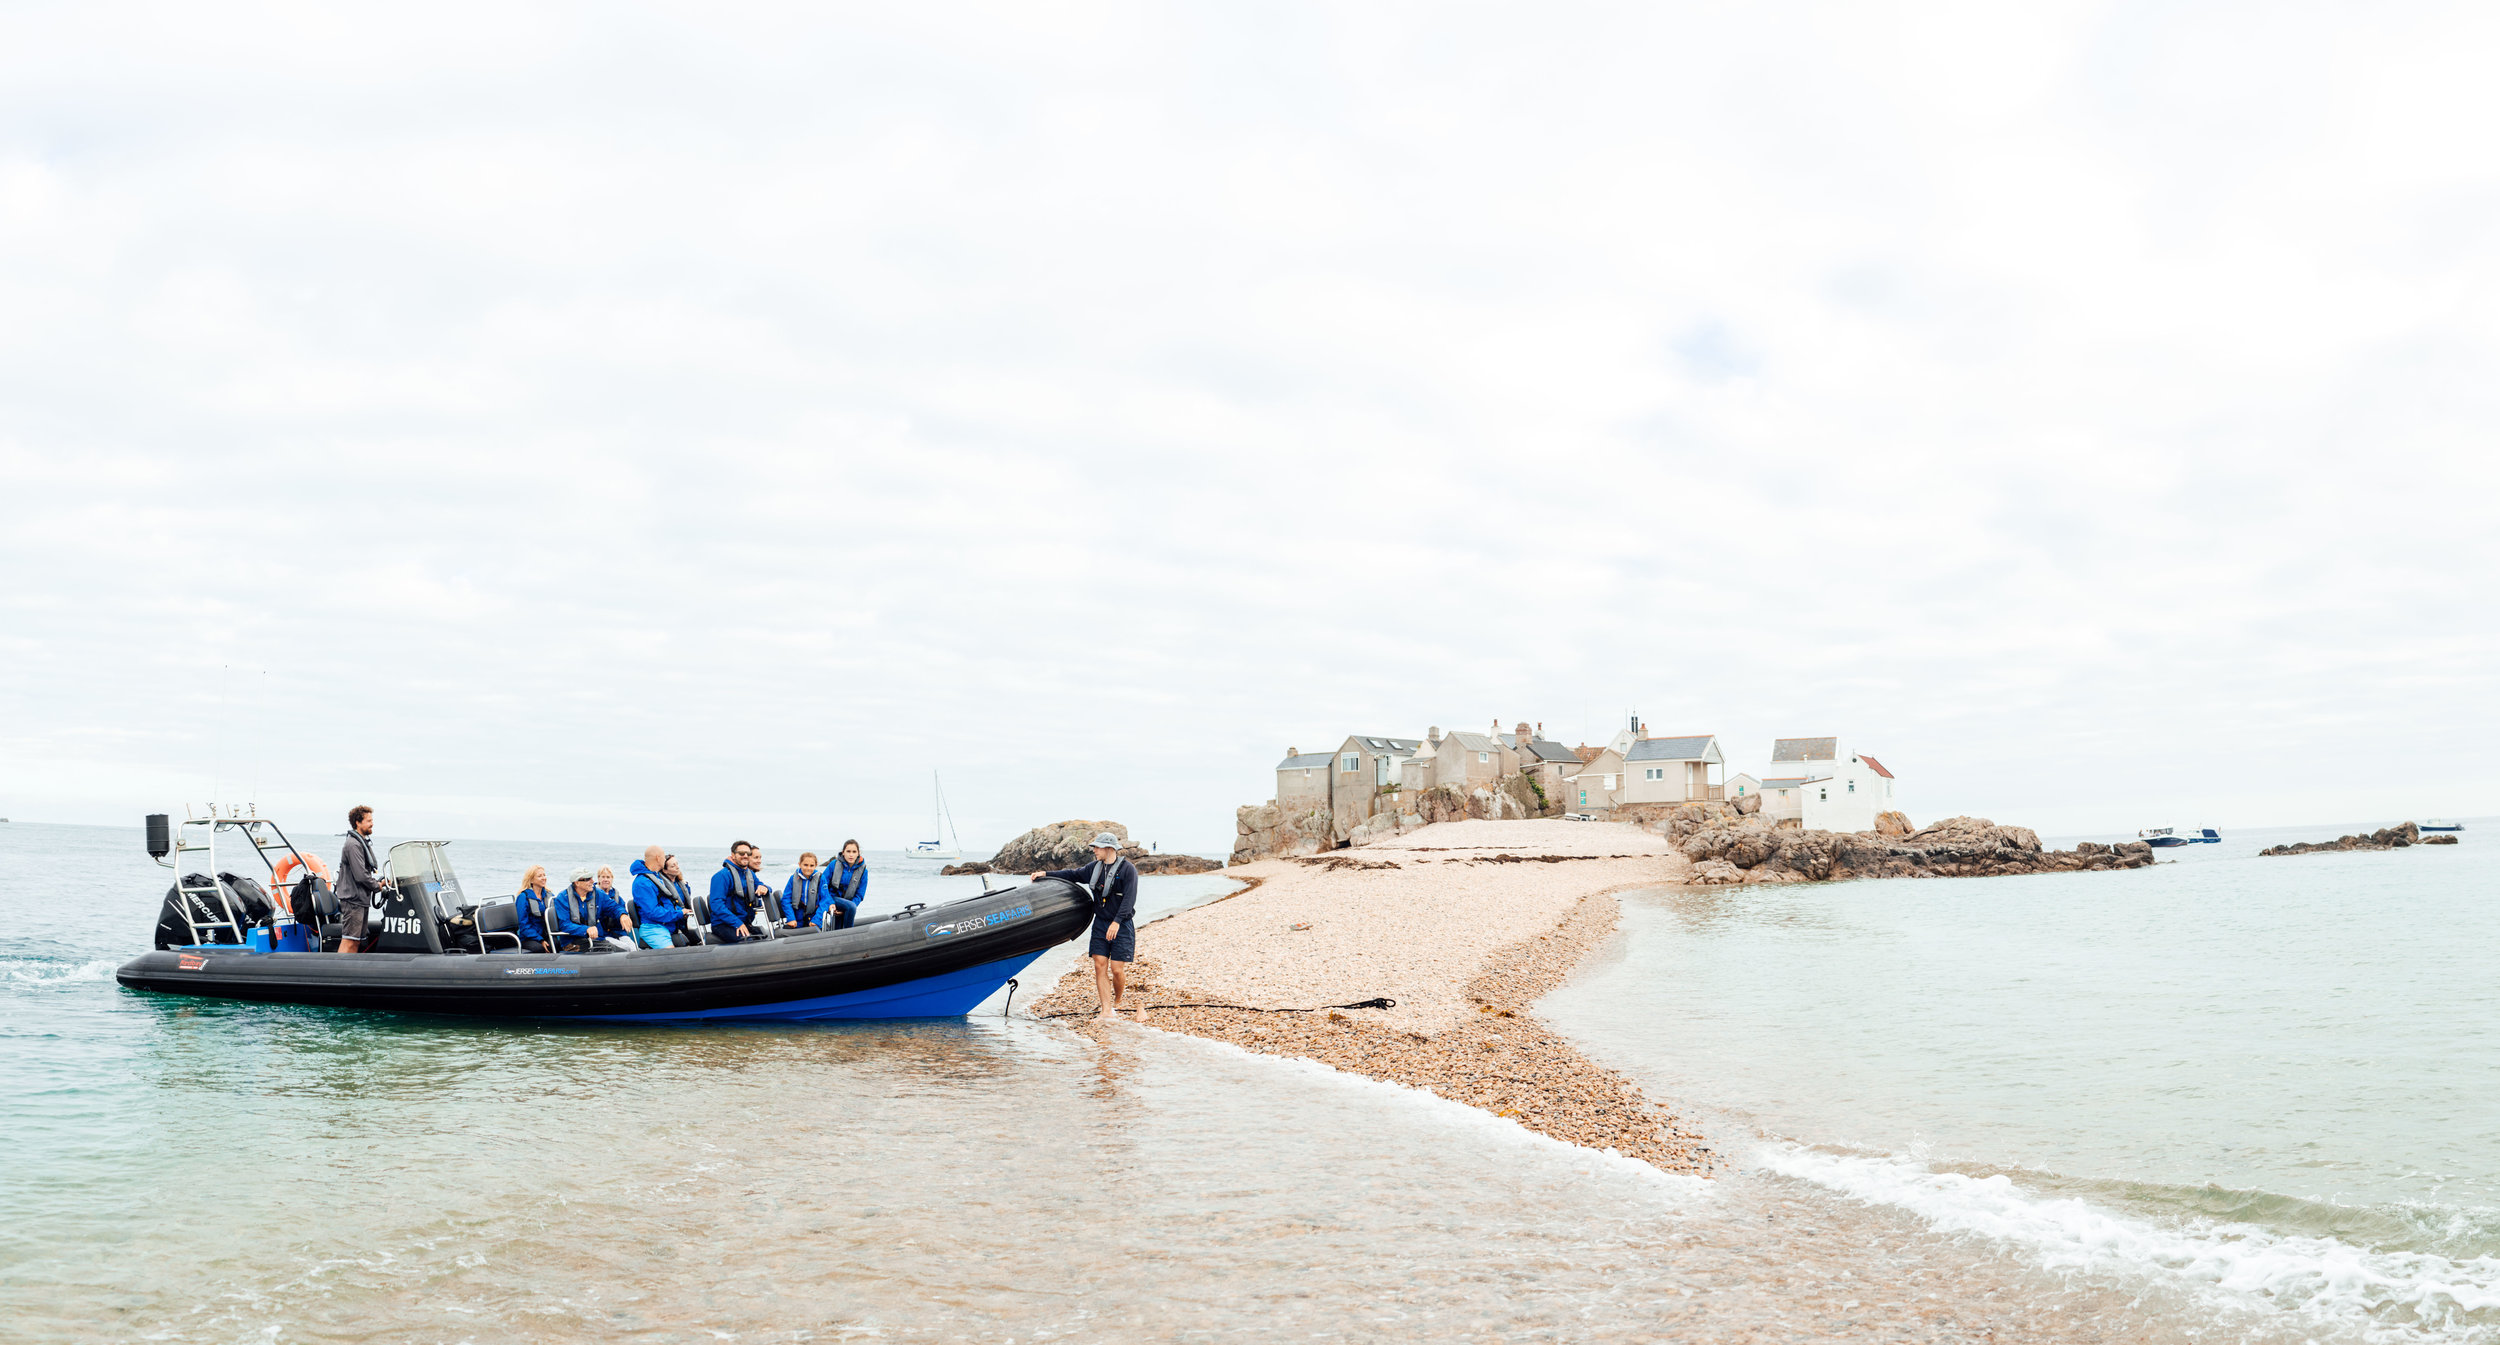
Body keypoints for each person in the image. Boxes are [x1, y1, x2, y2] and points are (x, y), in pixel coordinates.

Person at [1033, 832, 1140, 1023]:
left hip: (1121, 923)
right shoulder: (1093, 868)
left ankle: (1118, 1000)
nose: (1094, 851)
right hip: (1100, 923)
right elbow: (1072, 875)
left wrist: (1116, 922)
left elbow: (1129, 900)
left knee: (1116, 969)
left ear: (1109, 849)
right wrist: (1046, 874)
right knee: (1100, 965)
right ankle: (1106, 1010)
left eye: (1097, 847)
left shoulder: (1127, 870)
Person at [335, 804, 387, 954]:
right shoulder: (353, 845)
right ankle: (339, 973)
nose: (372, 823)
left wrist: (380, 883)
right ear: (358, 822)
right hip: (353, 900)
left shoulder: (361, 843)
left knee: (357, 940)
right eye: (369, 820)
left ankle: (348, 971)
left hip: (360, 899)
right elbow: (361, 875)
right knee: (349, 940)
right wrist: (378, 886)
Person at [629, 846, 693, 948]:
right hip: (653, 927)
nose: (664, 859)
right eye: (663, 857)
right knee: (671, 953)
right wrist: (679, 913)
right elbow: (653, 912)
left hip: (665, 925)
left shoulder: (656, 878)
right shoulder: (642, 883)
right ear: (658, 858)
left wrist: (682, 912)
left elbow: (666, 903)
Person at [707, 841, 765, 944]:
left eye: (748, 853)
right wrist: (737, 923)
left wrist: (763, 887)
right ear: (733, 855)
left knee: (763, 936)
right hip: (723, 925)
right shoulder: (721, 876)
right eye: (741, 853)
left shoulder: (749, 873)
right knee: (748, 941)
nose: (745, 856)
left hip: (744, 922)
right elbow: (716, 905)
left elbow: (761, 885)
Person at [548, 868, 603, 953]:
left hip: (594, 939)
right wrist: (586, 929)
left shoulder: (597, 893)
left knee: (617, 949)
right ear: (577, 883)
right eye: (587, 879)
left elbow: (613, 907)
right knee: (609, 949)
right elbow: (565, 925)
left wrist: (622, 915)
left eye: (591, 878)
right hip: (572, 942)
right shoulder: (563, 898)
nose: (592, 881)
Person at [782, 851, 834, 930]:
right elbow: (786, 899)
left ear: (816, 865)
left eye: (811, 865)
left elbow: (825, 900)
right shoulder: (793, 879)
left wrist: (817, 919)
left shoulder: (820, 879)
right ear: (800, 864)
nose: (808, 868)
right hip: (796, 918)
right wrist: (791, 918)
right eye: (805, 865)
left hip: (813, 918)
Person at [512, 864, 554, 953]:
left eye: (544, 875)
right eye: (539, 876)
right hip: (528, 937)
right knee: (540, 948)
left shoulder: (549, 895)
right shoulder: (523, 897)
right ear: (531, 880)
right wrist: (540, 940)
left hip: (546, 933)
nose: (543, 878)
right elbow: (524, 925)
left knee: (557, 944)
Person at [593, 866, 636, 950]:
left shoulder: (617, 897)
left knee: (632, 947)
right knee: (624, 948)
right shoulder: (593, 895)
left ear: (612, 879)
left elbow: (621, 910)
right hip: (602, 934)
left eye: (608, 877)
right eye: (603, 877)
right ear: (598, 878)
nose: (606, 880)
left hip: (617, 932)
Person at [828, 840, 868, 929]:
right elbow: (823, 886)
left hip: (849, 903)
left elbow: (860, 895)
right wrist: (830, 903)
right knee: (851, 907)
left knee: (851, 907)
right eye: (848, 851)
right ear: (843, 852)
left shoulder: (863, 871)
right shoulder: (833, 865)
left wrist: (850, 906)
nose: (851, 855)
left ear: (858, 853)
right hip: (832, 899)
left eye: (854, 852)